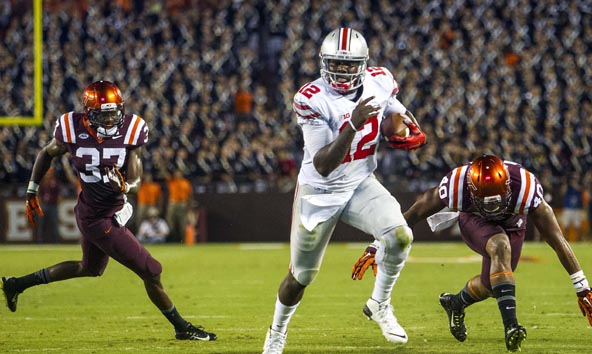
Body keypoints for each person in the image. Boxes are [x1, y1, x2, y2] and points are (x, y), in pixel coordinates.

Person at [2, 80, 216, 341]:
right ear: (89, 113)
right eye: (104, 114)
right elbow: (47, 153)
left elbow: (137, 179)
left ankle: (17, 284)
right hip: (97, 219)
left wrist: (126, 185)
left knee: (89, 268)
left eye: (114, 113)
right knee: (152, 270)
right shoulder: (72, 127)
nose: (111, 119)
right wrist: (32, 189)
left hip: (105, 210)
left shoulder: (131, 129)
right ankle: (181, 327)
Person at [262, 27, 427, 354]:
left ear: (363, 64)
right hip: (320, 191)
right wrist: (352, 124)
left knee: (400, 236)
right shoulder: (309, 98)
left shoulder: (380, 79)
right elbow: (323, 163)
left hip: (361, 183)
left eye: (350, 64)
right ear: (324, 62)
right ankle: (276, 332)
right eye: (336, 63)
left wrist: (404, 123)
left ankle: (379, 303)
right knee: (302, 276)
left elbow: (392, 106)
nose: (342, 70)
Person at [352, 155, 592, 352]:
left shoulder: (526, 188)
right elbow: (413, 214)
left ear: (508, 187)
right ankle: (512, 327)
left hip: (513, 221)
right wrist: (378, 244)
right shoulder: (456, 185)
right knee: (499, 246)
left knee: (491, 283)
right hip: (474, 221)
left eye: (497, 199)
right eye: (486, 200)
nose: (492, 207)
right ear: (472, 191)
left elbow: (557, 239)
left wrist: (582, 287)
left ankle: (455, 303)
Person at [560, 174, 585, 242]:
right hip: (568, 208)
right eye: (573, 179)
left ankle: (579, 241)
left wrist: (575, 184)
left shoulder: (579, 187)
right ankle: (565, 241)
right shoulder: (568, 187)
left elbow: (581, 189)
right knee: (566, 226)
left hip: (576, 209)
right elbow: (562, 192)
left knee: (578, 227)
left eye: (576, 179)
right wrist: (565, 182)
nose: (574, 180)